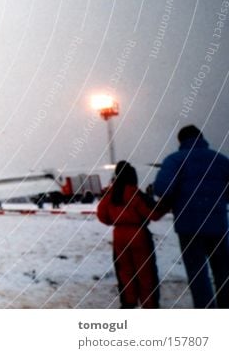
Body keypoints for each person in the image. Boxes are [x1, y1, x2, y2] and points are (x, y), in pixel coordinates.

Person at [154, 125, 229, 308]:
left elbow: (162, 188)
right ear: (202, 138)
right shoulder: (220, 160)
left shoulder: (174, 160)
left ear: (181, 141)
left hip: (190, 227)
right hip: (218, 225)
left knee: (197, 273)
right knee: (223, 272)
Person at [97, 161, 167, 308]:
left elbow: (102, 215)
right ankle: (149, 305)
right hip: (139, 236)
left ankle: (128, 304)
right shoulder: (135, 193)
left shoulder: (110, 194)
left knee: (125, 273)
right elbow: (153, 214)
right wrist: (165, 206)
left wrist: (116, 220)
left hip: (119, 237)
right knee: (146, 274)